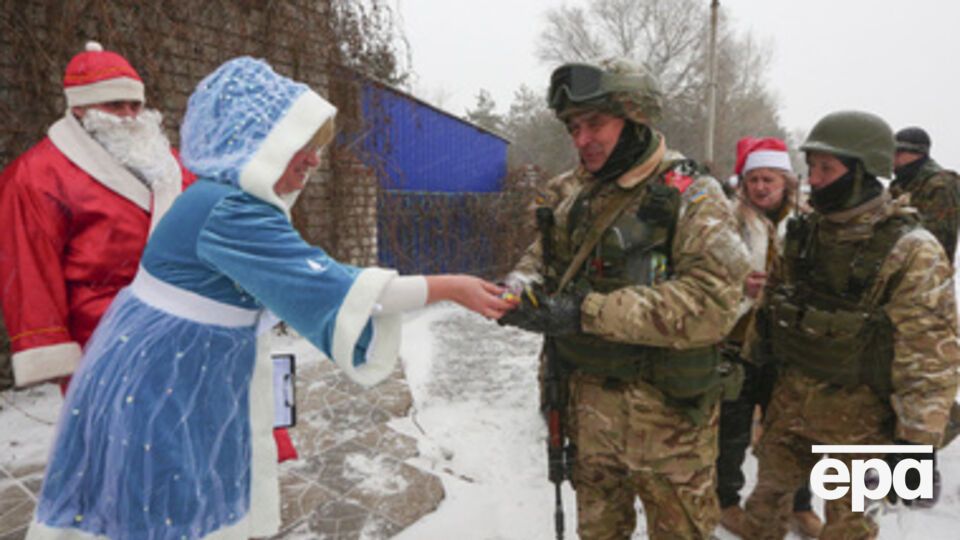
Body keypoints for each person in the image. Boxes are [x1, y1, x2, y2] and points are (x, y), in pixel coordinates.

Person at [24, 57, 512, 540]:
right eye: (302, 143)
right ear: (257, 142)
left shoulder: (222, 199)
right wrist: (453, 286)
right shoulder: (228, 210)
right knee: (165, 511)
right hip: (163, 388)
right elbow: (335, 286)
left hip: (168, 372)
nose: (316, 159)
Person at [500, 58, 750, 539]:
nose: (581, 139)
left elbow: (713, 304)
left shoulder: (694, 195)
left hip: (670, 428)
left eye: (595, 123)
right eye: (574, 126)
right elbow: (539, 260)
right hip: (590, 419)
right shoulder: (570, 193)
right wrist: (518, 292)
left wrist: (584, 312)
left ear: (636, 118)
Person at [741, 111, 960, 539]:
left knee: (849, 529)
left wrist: (916, 445)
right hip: (791, 409)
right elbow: (772, 311)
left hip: (862, 428)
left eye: (828, 168)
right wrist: (754, 374)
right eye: (812, 167)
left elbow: (930, 355)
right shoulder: (804, 235)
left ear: (861, 172)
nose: (816, 179)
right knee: (762, 511)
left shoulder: (910, 250)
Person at [0, 41, 194, 390]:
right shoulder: (35, 174)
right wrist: (48, 347)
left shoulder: (170, 165)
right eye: (114, 104)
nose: (129, 116)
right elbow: (28, 265)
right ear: (80, 109)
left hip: (184, 328)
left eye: (135, 104)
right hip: (101, 337)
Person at [716, 137, 822, 538]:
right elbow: (704, 273)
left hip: (790, 347)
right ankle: (726, 500)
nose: (761, 187)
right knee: (733, 429)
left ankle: (801, 505)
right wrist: (738, 287)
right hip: (738, 342)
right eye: (754, 179)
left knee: (795, 432)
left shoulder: (809, 222)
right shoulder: (726, 220)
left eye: (769, 179)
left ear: (787, 182)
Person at [889, 126, 960, 264]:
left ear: (915, 153)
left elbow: (937, 238)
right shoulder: (902, 184)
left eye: (897, 152)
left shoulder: (941, 184)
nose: (892, 158)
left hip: (929, 271)